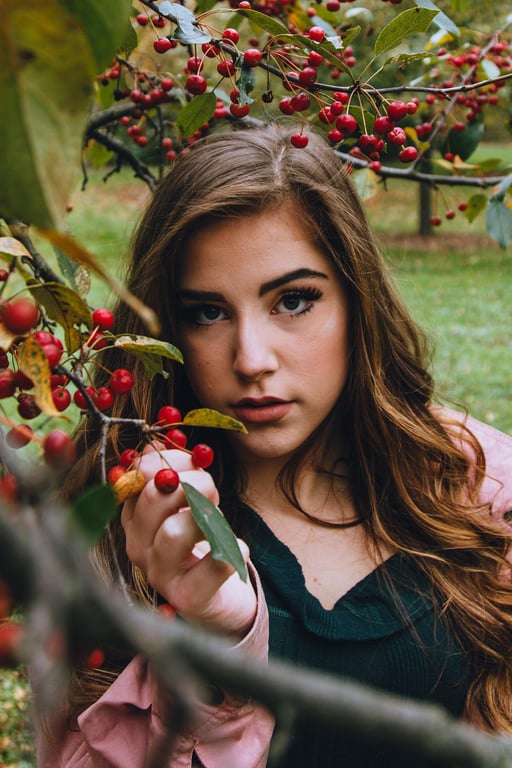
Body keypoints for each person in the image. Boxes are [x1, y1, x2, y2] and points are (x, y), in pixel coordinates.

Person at [35, 123, 512, 767]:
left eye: (293, 300)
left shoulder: (479, 487)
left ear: (355, 300)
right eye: (207, 312)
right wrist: (212, 647)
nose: (252, 359)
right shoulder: (117, 527)